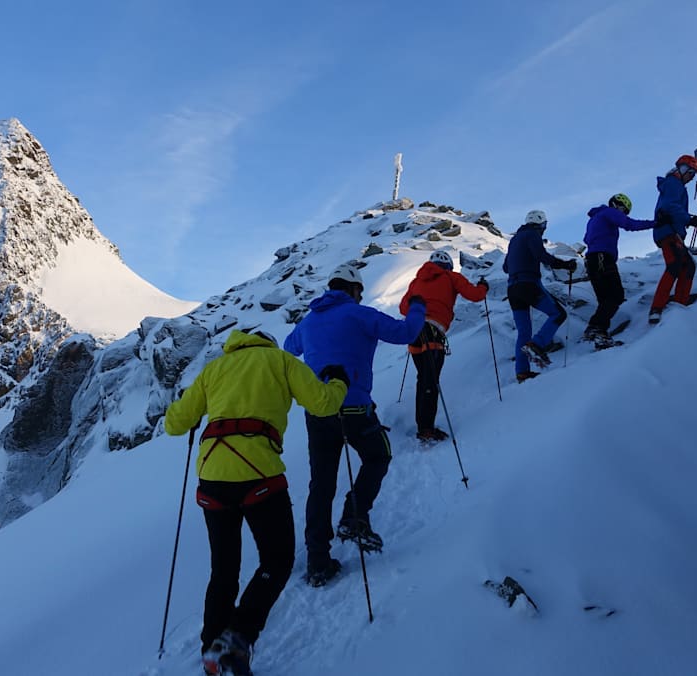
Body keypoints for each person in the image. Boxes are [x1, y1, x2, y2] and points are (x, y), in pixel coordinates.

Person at [164, 328, 349, 676]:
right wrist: (339, 381)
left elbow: (175, 424)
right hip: (258, 472)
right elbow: (324, 403)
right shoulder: (280, 360)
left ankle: (212, 651)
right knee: (277, 560)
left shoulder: (214, 369)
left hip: (211, 474)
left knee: (223, 569)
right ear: (268, 343)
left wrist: (190, 405)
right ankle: (238, 637)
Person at [284, 262, 426, 587]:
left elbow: (289, 347)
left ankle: (318, 562)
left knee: (321, 484)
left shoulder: (309, 321)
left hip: (318, 411)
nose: (360, 296)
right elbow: (407, 332)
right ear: (352, 289)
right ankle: (354, 517)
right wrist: (417, 306)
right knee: (378, 457)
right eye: (359, 291)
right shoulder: (359, 315)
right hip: (354, 407)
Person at [397, 250, 489, 441]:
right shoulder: (451, 276)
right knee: (430, 380)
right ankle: (426, 429)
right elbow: (474, 295)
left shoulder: (417, 281)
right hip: (433, 332)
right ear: (448, 265)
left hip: (414, 332)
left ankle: (423, 425)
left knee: (424, 378)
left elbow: (403, 308)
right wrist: (483, 287)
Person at [503, 210, 578, 382]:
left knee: (524, 331)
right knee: (559, 314)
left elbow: (506, 268)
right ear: (542, 224)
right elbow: (541, 255)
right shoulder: (532, 234)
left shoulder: (515, 240)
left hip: (512, 289)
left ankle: (522, 372)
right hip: (528, 284)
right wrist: (565, 265)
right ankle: (537, 344)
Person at [582, 194, 655, 347]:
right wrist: (656, 223)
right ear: (616, 204)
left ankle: (600, 337)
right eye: (623, 209)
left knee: (605, 300)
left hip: (592, 260)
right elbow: (630, 224)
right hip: (603, 258)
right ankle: (595, 328)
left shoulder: (595, 217)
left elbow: (587, 239)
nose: (623, 213)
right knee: (616, 295)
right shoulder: (608, 212)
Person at [649, 155, 697, 324]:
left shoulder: (674, 184)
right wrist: (689, 219)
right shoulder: (674, 183)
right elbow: (671, 206)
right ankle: (657, 308)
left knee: (686, 266)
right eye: (691, 173)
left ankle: (678, 306)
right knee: (675, 265)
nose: (691, 177)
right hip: (669, 231)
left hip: (669, 231)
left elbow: (671, 207)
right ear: (683, 169)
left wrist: (689, 219)